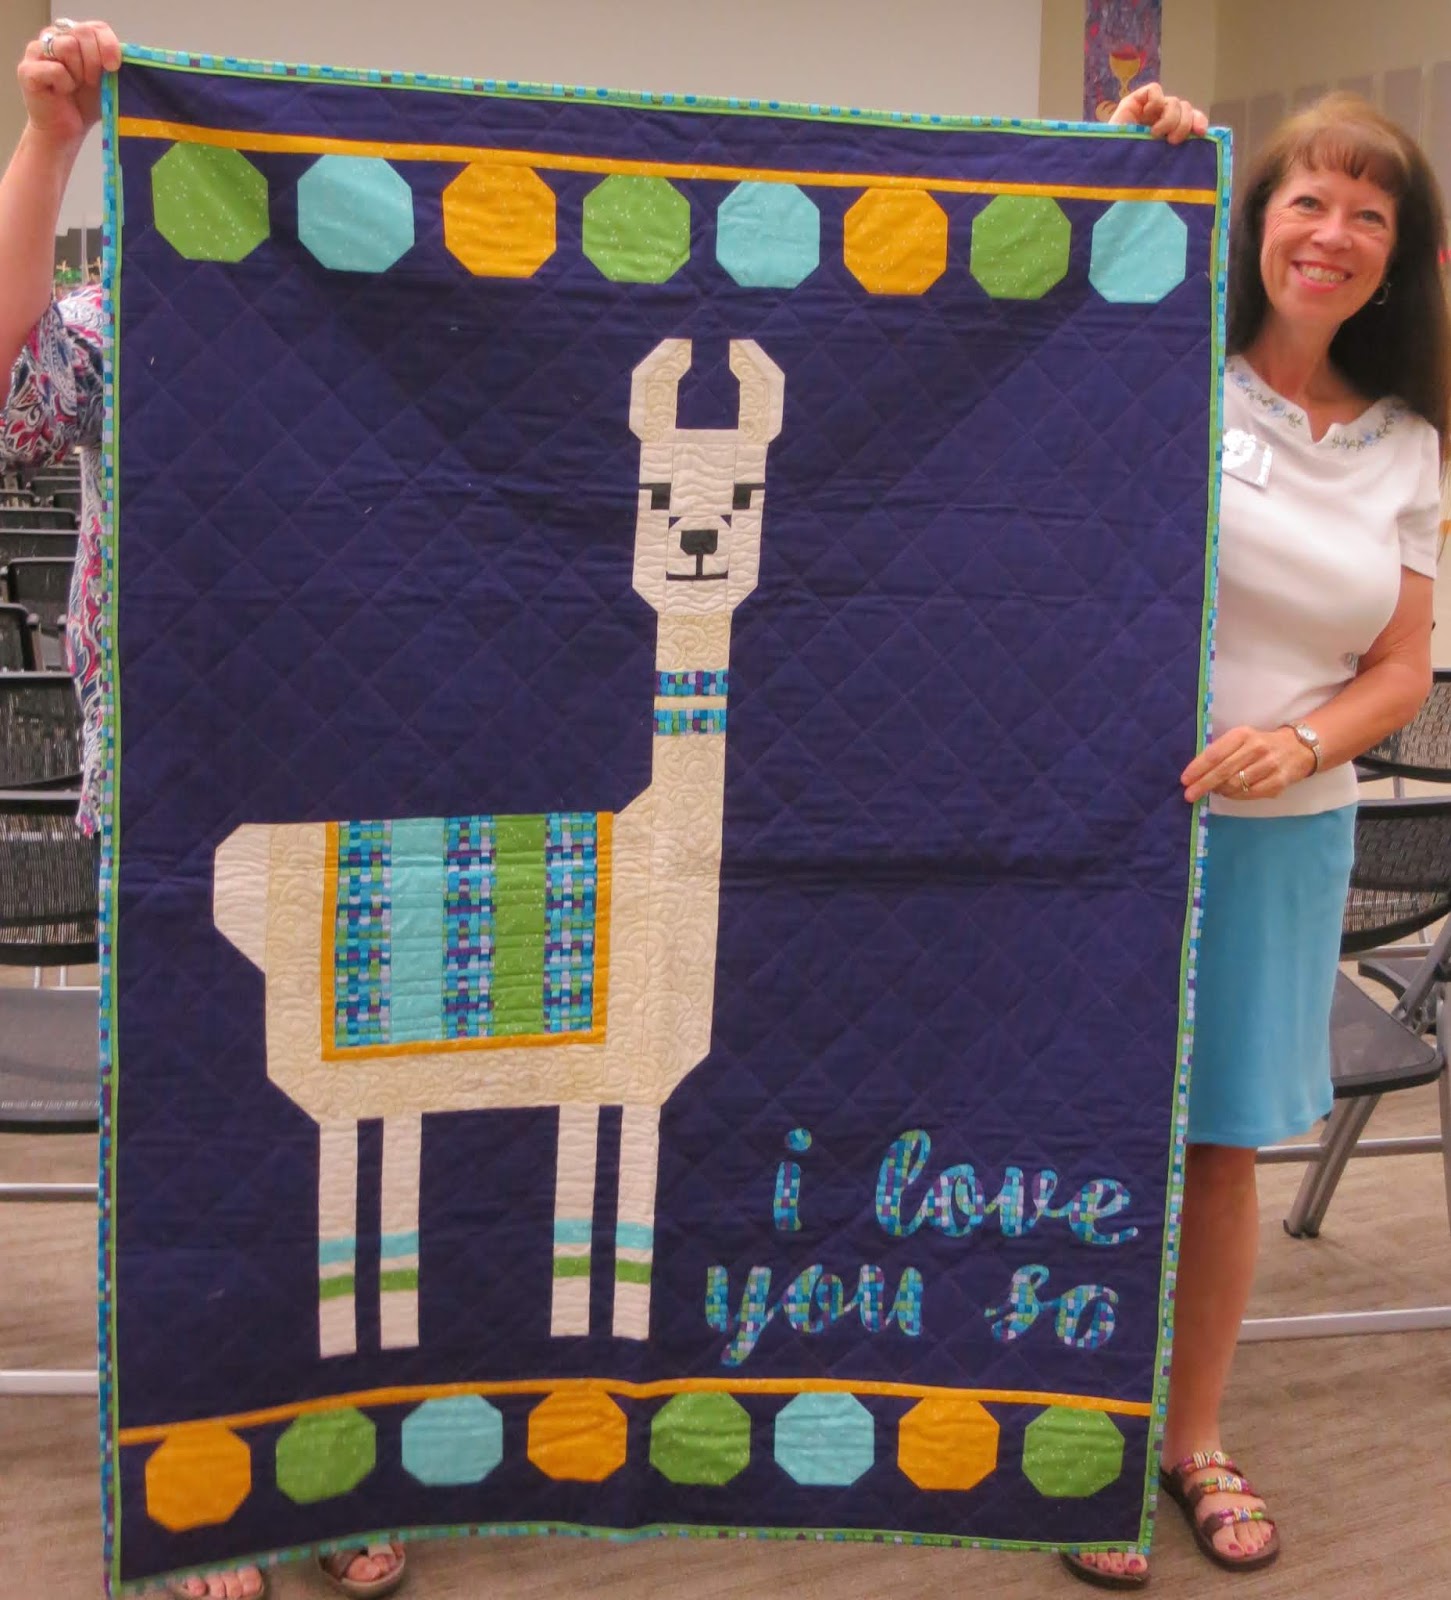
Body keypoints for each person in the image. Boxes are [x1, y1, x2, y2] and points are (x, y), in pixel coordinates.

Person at [0, 19, 408, 1600]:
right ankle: (197, 1474)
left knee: (339, 1137)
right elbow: (7, 382)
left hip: (355, 798)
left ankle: (334, 1458)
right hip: (171, 809)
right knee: (182, 1135)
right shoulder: (132, 322)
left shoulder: (391, 350)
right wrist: (53, 143)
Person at [1063, 82, 1446, 1590]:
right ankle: (1067, 1425)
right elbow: (1039, 319)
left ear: (1398, 256)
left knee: (1220, 1147)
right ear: (1256, 221)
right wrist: (1127, 157)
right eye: (1307, 200)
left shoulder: (1411, 443)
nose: (1333, 233)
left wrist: (1300, 742)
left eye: (1370, 214)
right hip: (1106, 822)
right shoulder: (1173, 369)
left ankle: (1192, 1437)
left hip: (1283, 834)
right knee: (1084, 1120)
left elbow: (1401, 669)